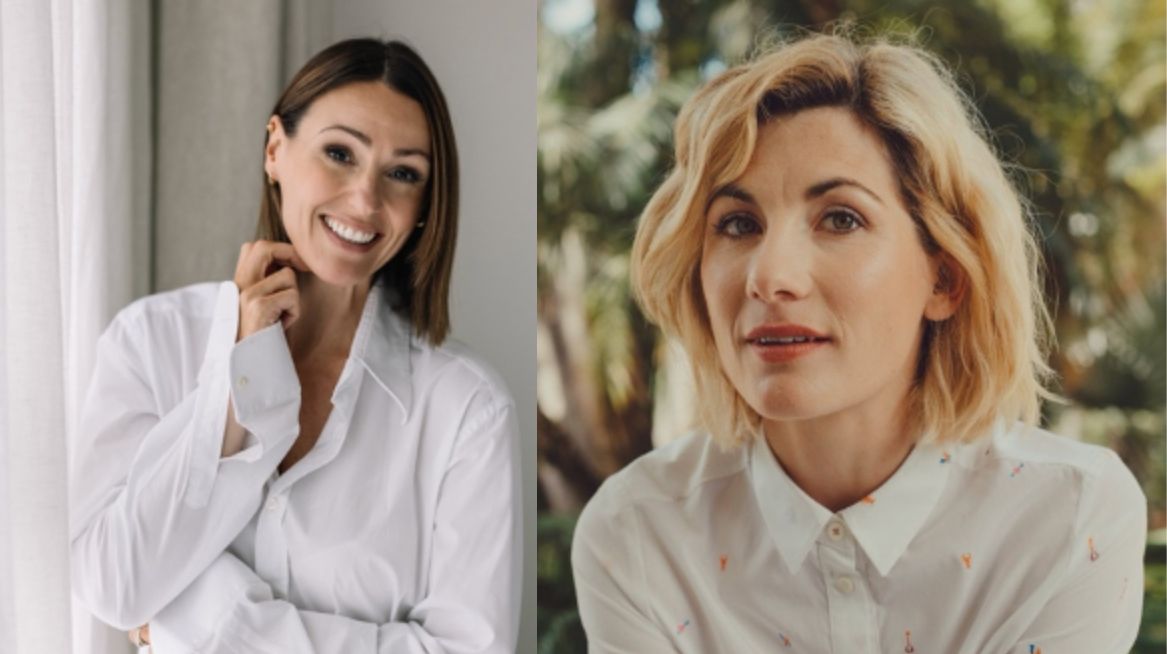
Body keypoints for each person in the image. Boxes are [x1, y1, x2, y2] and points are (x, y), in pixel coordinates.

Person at [571, 31, 1146, 653]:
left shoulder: (1070, 516)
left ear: (945, 277)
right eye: (737, 224)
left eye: (840, 218)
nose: (769, 277)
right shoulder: (635, 534)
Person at [70, 38, 521, 653]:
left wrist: (200, 617)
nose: (366, 200)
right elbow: (113, 586)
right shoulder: (150, 343)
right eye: (340, 153)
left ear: (424, 206)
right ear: (275, 149)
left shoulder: (467, 409)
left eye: (403, 173)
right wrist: (234, 394)